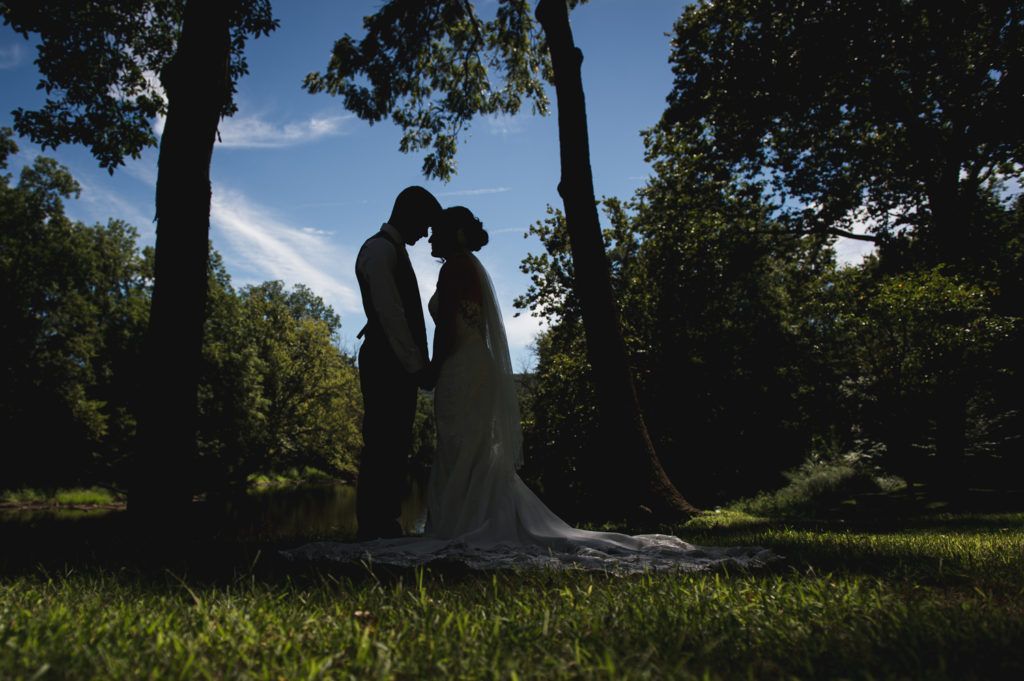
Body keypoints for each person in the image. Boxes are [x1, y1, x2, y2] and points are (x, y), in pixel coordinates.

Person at [288, 206, 771, 571]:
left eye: (435, 230)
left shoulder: (455, 268)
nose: (429, 235)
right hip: (469, 364)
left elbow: (452, 327)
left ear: (451, 232)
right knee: (468, 446)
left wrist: (432, 366)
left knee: (463, 445)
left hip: (459, 364)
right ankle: (464, 520)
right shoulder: (464, 266)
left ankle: (463, 523)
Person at [353, 186, 441, 540]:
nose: (426, 233)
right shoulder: (378, 250)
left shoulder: (392, 251)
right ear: (409, 214)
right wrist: (416, 365)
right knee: (381, 440)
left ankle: (385, 520)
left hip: (394, 362)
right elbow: (391, 315)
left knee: (396, 441)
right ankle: (375, 524)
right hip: (384, 361)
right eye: (424, 225)